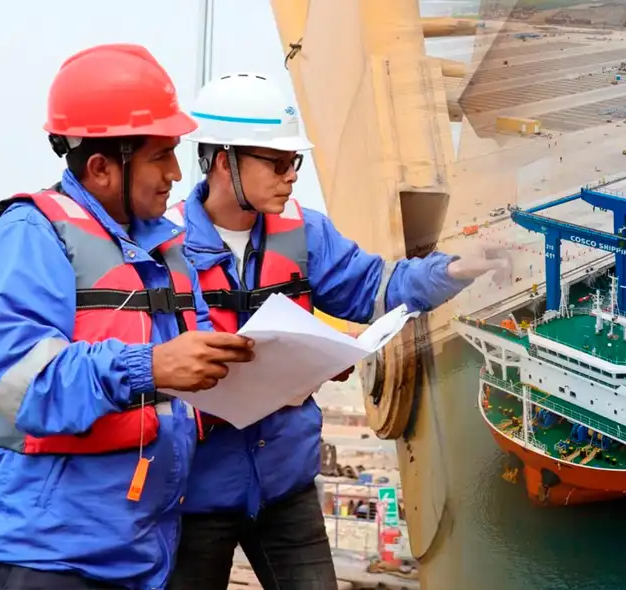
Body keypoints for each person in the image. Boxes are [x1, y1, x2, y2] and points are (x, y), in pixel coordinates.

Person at [166, 72, 508, 590]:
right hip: (195, 494)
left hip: (285, 486)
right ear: (223, 161)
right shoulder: (161, 248)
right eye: (278, 163)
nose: (291, 176)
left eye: (295, 162)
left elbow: (376, 287)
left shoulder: (305, 231)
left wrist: (453, 270)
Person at [0, 44, 256, 590]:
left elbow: (181, 375)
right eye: (160, 154)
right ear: (100, 167)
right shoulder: (27, 237)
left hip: (138, 553)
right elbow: (21, 385)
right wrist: (150, 368)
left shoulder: (165, 248)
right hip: (47, 559)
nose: (175, 172)